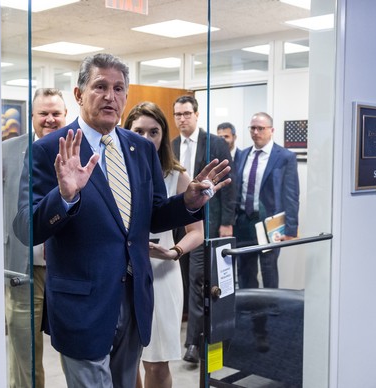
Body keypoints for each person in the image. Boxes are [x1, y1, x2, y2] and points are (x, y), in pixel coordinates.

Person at [14, 53, 232, 388]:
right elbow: (27, 228)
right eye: (100, 86)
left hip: (134, 298)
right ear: (78, 94)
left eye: (118, 89)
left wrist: (187, 203)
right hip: (82, 305)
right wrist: (66, 196)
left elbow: (155, 213)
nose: (110, 96)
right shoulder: (49, 150)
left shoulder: (140, 149)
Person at [123, 102, 204, 388]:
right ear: (126, 132)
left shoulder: (176, 175)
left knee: (156, 365)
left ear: (163, 135)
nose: (146, 139)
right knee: (125, 362)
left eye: (154, 132)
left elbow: (197, 232)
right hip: (123, 275)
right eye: (138, 131)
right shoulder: (115, 174)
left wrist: (174, 252)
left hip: (161, 274)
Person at [3, 88, 67, 388]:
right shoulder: (7, 151)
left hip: (69, 268)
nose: (50, 119)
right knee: (24, 354)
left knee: (75, 352)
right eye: (43, 113)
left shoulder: (79, 149)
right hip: (22, 269)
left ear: (66, 116)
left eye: (56, 113)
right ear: (32, 117)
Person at [171, 95, 236, 363]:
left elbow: (230, 185)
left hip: (205, 224)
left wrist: (226, 222)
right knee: (184, 281)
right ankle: (188, 333)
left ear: (197, 114)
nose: (182, 119)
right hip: (177, 227)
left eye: (186, 113)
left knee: (199, 282)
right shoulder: (172, 145)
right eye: (177, 114)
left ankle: (194, 344)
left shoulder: (215, 143)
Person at [233, 111, 300, 352]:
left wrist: (291, 229)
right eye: (252, 128)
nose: (255, 132)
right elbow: (236, 189)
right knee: (246, 274)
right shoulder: (241, 154)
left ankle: (273, 327)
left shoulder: (284, 157)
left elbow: (291, 195)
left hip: (270, 226)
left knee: (269, 272)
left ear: (271, 130)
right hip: (243, 224)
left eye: (260, 128)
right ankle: (253, 325)